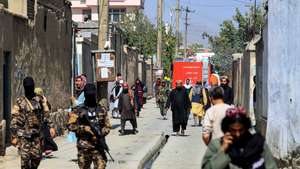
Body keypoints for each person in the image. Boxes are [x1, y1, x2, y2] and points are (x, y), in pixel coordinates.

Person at [202, 107, 278, 169]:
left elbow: (271, 166)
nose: (237, 134)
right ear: (227, 129)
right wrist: (223, 150)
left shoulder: (257, 144)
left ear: (246, 128)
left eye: (241, 130)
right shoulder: (216, 145)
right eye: (233, 130)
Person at [10, 77, 56, 169]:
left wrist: (51, 127)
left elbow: (46, 114)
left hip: (37, 136)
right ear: (24, 87)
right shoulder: (20, 101)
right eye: (27, 87)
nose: (29, 88)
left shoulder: (40, 99)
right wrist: (14, 136)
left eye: (30, 87)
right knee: (25, 161)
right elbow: (14, 119)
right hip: (24, 137)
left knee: (37, 159)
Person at [68, 83, 111, 169]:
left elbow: (108, 126)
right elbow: (70, 126)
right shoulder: (78, 110)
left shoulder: (101, 109)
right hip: (84, 146)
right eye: (89, 94)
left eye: (92, 94)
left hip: (98, 146)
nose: (91, 96)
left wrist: (100, 133)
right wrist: (83, 129)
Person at [34, 87, 58, 157]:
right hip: (35, 122)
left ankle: (47, 148)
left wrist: (51, 126)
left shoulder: (44, 101)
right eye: (36, 95)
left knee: (46, 134)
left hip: (43, 122)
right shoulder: (32, 102)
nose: (37, 97)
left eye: (38, 95)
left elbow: (47, 112)